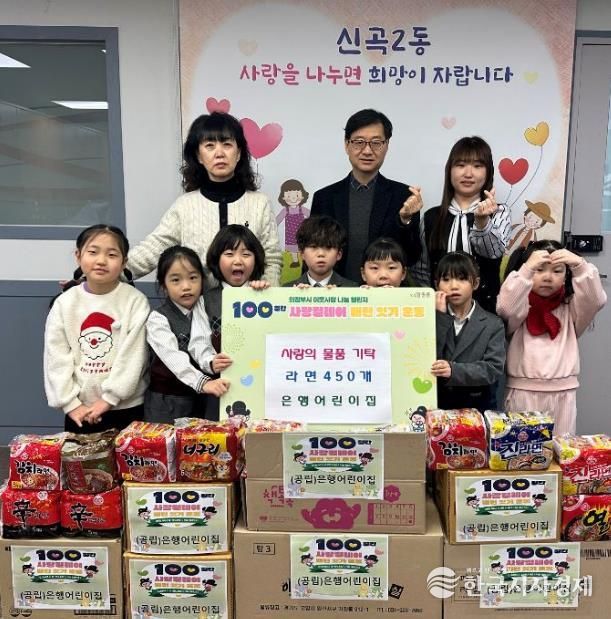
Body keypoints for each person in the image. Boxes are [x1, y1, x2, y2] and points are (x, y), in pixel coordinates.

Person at [127, 112, 282, 284]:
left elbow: (272, 260)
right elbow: (154, 247)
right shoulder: (185, 206)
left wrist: (266, 294)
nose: (219, 153)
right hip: (199, 300)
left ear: (238, 153)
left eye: (227, 144)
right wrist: (115, 270)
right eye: (210, 146)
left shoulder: (260, 203)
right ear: (199, 156)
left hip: (248, 300)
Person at [44, 225, 149, 433]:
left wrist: (110, 398)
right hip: (79, 409)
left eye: (112, 254)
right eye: (93, 252)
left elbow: (135, 356)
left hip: (126, 406)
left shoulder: (135, 301)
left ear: (124, 262)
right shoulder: (65, 303)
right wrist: (70, 404)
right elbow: (56, 357)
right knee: (79, 455)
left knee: (128, 455)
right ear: (78, 256)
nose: (101, 260)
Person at [497, 240, 607, 435]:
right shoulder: (520, 307)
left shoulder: (571, 308)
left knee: (562, 448)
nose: (548, 277)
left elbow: (595, 300)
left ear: (566, 277)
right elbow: (505, 307)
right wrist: (527, 269)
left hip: (563, 394)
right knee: (523, 450)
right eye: (540, 270)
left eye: (557, 271)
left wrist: (580, 265)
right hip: (523, 392)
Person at [310, 108, 422, 282]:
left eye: (376, 143)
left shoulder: (404, 197)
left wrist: (405, 220)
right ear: (346, 145)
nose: (367, 151)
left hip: (385, 293)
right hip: (336, 293)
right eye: (359, 142)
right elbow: (313, 253)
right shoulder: (325, 198)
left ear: (387, 145)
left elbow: (412, 257)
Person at [415, 136, 511, 313]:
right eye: (460, 165)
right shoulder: (431, 217)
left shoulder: (499, 212)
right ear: (449, 171)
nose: (468, 173)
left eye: (477, 166)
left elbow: (493, 252)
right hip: (440, 314)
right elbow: (421, 271)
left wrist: (482, 223)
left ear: (488, 172)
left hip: (485, 316)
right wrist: (433, 304)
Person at [145, 246, 232, 423]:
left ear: (202, 280)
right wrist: (203, 382)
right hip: (168, 402)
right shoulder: (158, 319)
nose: (186, 287)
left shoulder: (208, 309)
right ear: (163, 285)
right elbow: (173, 357)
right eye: (176, 280)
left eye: (193, 278)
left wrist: (212, 364)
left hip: (203, 399)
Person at [432, 252, 505, 411]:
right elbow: (425, 355)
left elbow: (493, 368)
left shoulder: (493, 324)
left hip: (477, 407)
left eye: (462, 278)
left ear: (475, 283)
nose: (454, 286)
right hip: (437, 406)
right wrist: (440, 318)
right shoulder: (430, 319)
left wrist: (454, 371)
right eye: (446, 279)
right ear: (437, 285)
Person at [284, 215, 357, 287]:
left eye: (328, 247)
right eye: (313, 247)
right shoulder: (287, 290)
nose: (321, 254)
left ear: (339, 254)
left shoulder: (352, 289)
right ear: (302, 253)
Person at [276, 179, 310, 267]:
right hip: (291, 235)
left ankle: (304, 261)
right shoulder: (285, 210)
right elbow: (278, 219)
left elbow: (312, 216)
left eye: (297, 195)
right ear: (283, 197)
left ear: (302, 195)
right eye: (289, 196)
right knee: (293, 249)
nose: (293, 198)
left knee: (303, 247)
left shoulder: (302, 209)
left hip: (302, 233)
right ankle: (295, 261)